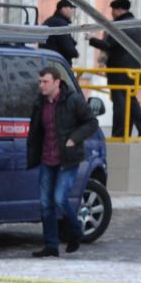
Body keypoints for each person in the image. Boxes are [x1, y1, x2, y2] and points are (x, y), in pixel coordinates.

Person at [26, 65, 100, 258]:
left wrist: (74, 138)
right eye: (40, 81)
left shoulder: (72, 100)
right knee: (45, 204)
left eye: (45, 82)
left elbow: (91, 123)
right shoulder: (39, 103)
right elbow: (36, 131)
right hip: (46, 158)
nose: (41, 85)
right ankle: (51, 244)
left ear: (57, 83)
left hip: (67, 159)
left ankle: (75, 231)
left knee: (59, 199)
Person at [88, 0, 141, 139]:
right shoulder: (138, 25)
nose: (111, 13)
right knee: (131, 101)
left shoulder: (118, 25)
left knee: (120, 104)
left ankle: (119, 134)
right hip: (134, 71)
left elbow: (108, 45)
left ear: (119, 10)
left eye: (113, 10)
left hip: (119, 71)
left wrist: (91, 39)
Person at [41, 0, 80, 65]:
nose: (72, 11)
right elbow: (66, 45)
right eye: (70, 8)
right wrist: (75, 53)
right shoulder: (60, 24)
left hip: (47, 60)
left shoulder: (50, 21)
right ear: (63, 9)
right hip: (58, 63)